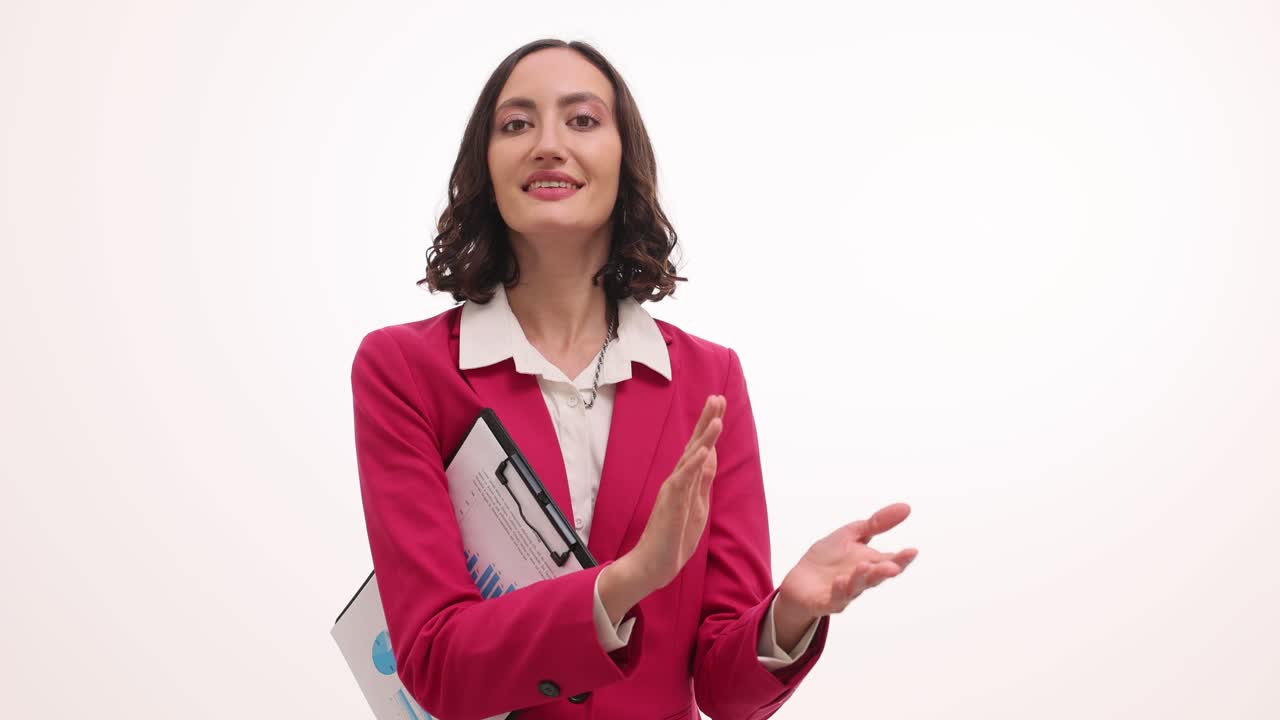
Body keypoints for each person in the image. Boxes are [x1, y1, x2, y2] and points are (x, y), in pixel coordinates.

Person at [350, 38, 919, 720]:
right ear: (485, 166)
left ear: (626, 162)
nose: (548, 144)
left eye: (583, 120)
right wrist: (626, 583)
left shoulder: (710, 380)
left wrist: (789, 612)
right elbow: (435, 662)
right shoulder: (406, 372)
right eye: (516, 124)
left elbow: (725, 690)